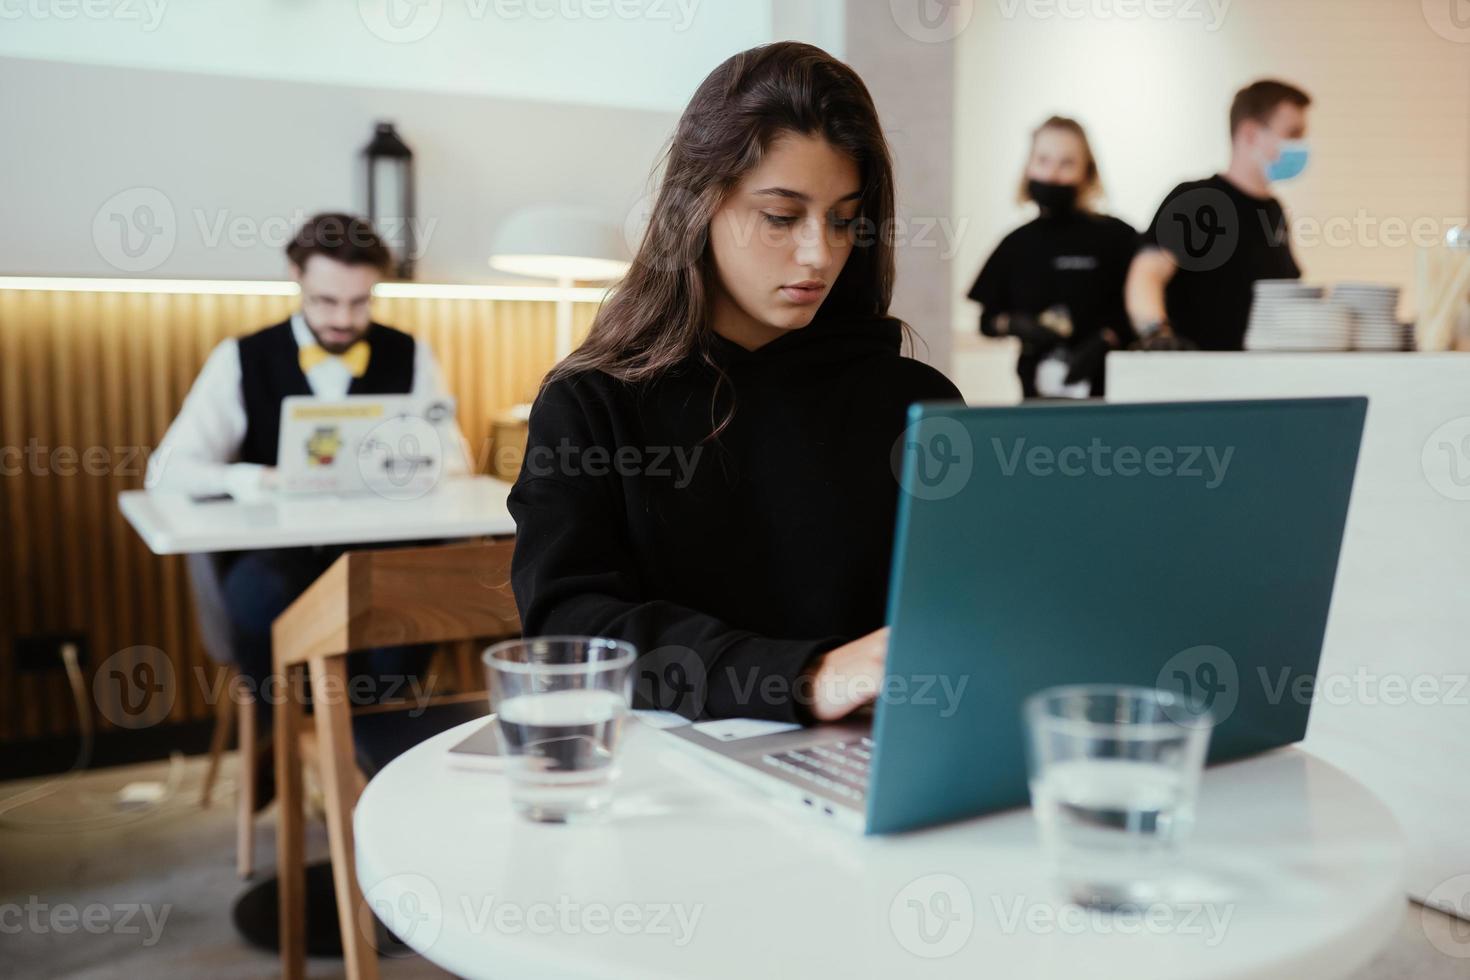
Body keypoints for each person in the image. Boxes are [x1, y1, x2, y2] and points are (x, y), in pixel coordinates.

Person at [507, 42, 961, 726]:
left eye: (843, 219)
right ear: (698, 206)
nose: (820, 253)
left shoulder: (914, 404)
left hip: (874, 768)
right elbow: (571, 628)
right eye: (781, 217)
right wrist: (804, 677)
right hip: (666, 784)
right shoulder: (593, 405)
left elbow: (960, 613)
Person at [146, 213, 468, 799]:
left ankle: (371, 752)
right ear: (295, 276)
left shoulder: (410, 355)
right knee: (260, 596)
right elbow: (166, 472)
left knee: (412, 603)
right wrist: (254, 478)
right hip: (279, 553)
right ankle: (285, 734)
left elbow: (454, 460)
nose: (344, 321)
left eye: (359, 303)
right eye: (326, 301)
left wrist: (403, 465)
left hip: (375, 553)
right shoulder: (241, 358)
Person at [1126, 79, 1311, 351]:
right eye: (1293, 133)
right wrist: (1156, 333)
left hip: (1260, 376)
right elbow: (1146, 274)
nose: (1301, 145)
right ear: (1250, 134)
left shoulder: (1274, 211)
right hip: (1198, 379)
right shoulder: (1200, 200)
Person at [967, 116, 1138, 398]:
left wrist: (1108, 339)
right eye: (1043, 160)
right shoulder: (1016, 243)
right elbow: (987, 321)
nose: (1052, 174)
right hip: (1035, 403)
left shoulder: (1118, 237)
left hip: (1110, 399)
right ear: (1029, 166)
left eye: (1067, 163)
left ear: (1087, 171)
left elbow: (1146, 308)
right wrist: (1013, 324)